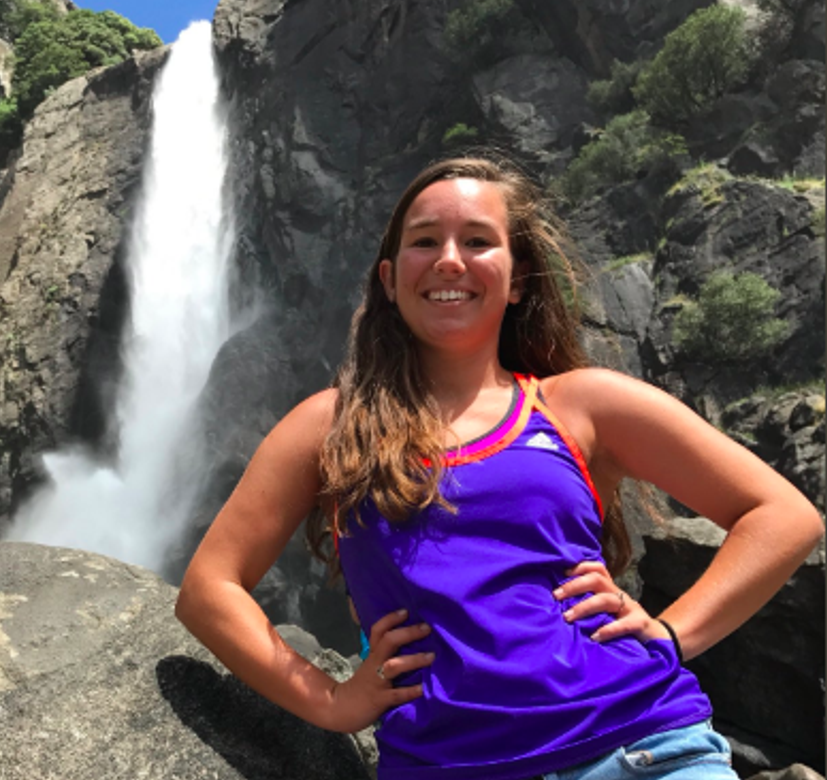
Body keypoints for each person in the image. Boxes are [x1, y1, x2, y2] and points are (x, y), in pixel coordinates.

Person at [175, 157, 823, 780]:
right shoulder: (330, 425)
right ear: (389, 276)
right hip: (447, 766)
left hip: (641, 749)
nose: (450, 259)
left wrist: (671, 635)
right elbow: (209, 587)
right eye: (425, 240)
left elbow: (782, 515)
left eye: (478, 240)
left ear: (515, 279)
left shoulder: (582, 404)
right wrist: (330, 701)